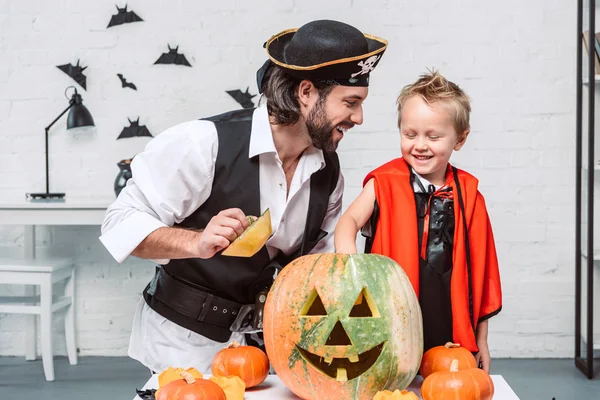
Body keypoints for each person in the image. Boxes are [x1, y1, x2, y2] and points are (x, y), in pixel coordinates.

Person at [99, 20, 388, 374]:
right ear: (307, 92)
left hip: (271, 351)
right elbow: (120, 222)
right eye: (351, 102)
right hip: (184, 346)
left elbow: (313, 269)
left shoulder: (329, 174)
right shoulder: (204, 143)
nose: (358, 117)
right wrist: (196, 241)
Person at [334, 70, 502, 373]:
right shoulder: (384, 183)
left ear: (460, 139)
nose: (420, 145)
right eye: (409, 134)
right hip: (395, 311)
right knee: (394, 384)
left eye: (433, 136)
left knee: (445, 385)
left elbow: (482, 274)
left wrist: (483, 342)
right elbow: (348, 222)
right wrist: (352, 268)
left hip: (449, 320)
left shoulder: (470, 195)